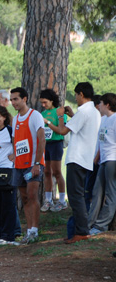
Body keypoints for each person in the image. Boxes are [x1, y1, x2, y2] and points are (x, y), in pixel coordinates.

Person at [44, 82, 101, 244]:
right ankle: (80, 229)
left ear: (81, 94)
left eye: (76, 95)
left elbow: (62, 131)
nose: (75, 98)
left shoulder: (83, 111)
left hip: (77, 158)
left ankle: (82, 231)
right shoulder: (93, 111)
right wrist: (71, 115)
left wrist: (58, 118)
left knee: (76, 197)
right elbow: (81, 126)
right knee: (79, 195)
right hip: (86, 158)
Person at [10, 87, 46, 245]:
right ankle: (29, 230)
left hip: (33, 164)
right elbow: (15, 140)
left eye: (16, 99)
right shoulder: (15, 119)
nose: (13, 102)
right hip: (19, 165)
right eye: (11, 100)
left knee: (32, 196)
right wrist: (14, 154)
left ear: (24, 99)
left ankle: (34, 231)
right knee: (24, 198)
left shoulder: (35, 115)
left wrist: (37, 163)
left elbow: (41, 139)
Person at [0, 106, 18, 245]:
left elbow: (19, 145)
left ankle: (8, 234)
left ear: (5, 117)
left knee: (8, 205)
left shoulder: (10, 131)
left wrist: (15, 156)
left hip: (7, 171)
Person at [88, 93, 116, 235]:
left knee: (111, 194)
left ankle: (101, 226)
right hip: (103, 160)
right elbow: (101, 142)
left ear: (108, 105)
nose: (98, 105)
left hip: (113, 160)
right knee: (96, 191)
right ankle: (90, 223)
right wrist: (96, 158)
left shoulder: (115, 119)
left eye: (101, 103)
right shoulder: (103, 119)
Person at [40, 88, 67, 212]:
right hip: (46, 144)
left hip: (56, 143)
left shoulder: (59, 112)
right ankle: (48, 200)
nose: (43, 105)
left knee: (56, 172)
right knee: (47, 172)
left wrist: (48, 123)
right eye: (42, 103)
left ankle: (62, 200)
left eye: (45, 102)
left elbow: (61, 131)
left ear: (52, 101)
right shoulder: (42, 113)